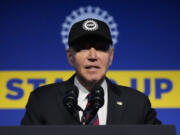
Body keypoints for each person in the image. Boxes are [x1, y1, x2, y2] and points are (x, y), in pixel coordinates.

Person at [21, 18, 161, 125]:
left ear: (110, 57)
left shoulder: (137, 103)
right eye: (83, 48)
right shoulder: (42, 100)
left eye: (100, 48)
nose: (93, 56)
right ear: (70, 57)